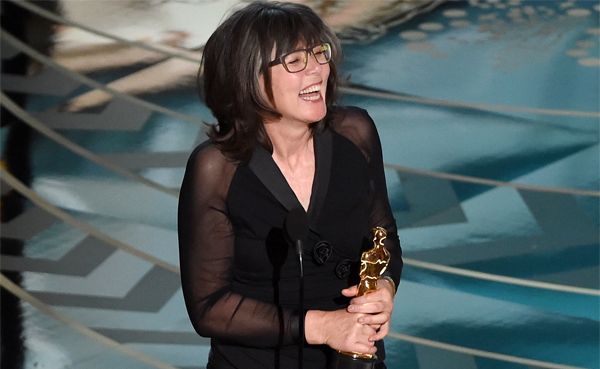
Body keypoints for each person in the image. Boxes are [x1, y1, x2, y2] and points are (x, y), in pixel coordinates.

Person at [178, 2, 402, 368]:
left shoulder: (356, 133)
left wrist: (384, 287)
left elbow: (383, 236)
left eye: (319, 53)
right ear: (246, 77)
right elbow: (210, 307)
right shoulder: (216, 169)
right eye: (295, 61)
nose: (317, 69)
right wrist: (321, 326)